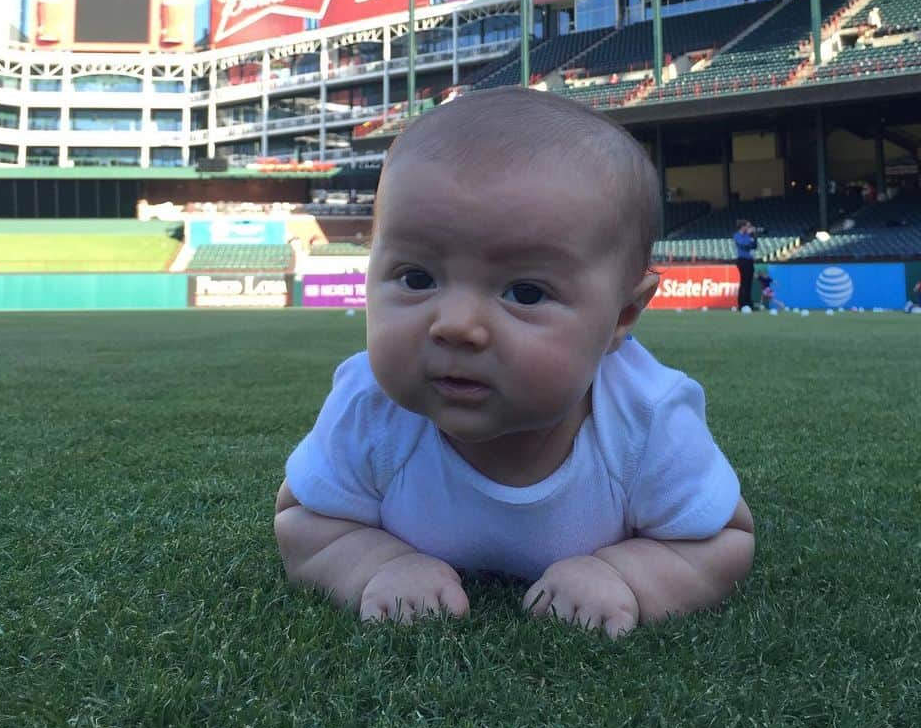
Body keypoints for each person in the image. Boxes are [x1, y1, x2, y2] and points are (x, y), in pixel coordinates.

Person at [274, 87, 754, 638]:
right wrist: (374, 564)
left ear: (622, 315)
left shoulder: (648, 419)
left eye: (524, 293)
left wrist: (626, 574)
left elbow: (727, 536)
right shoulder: (370, 405)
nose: (454, 324)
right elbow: (301, 518)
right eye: (416, 278)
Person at [733, 219, 759, 310]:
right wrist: (750, 238)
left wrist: (754, 236)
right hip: (742, 260)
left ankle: (749, 304)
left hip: (749, 260)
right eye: (747, 226)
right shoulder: (737, 235)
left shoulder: (749, 235)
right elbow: (743, 244)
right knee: (744, 282)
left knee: (749, 283)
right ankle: (742, 304)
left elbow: (754, 246)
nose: (749, 228)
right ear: (742, 227)